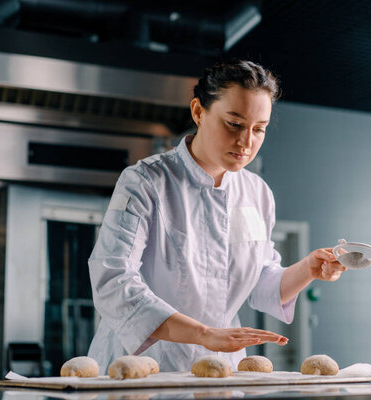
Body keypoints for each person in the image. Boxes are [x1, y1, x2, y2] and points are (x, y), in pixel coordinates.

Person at [87, 59, 346, 373]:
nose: (246, 142)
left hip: (218, 369)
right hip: (141, 366)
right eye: (234, 124)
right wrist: (204, 334)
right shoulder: (145, 181)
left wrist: (309, 268)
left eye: (259, 129)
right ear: (198, 111)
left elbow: (262, 283)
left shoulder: (257, 194)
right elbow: (113, 281)